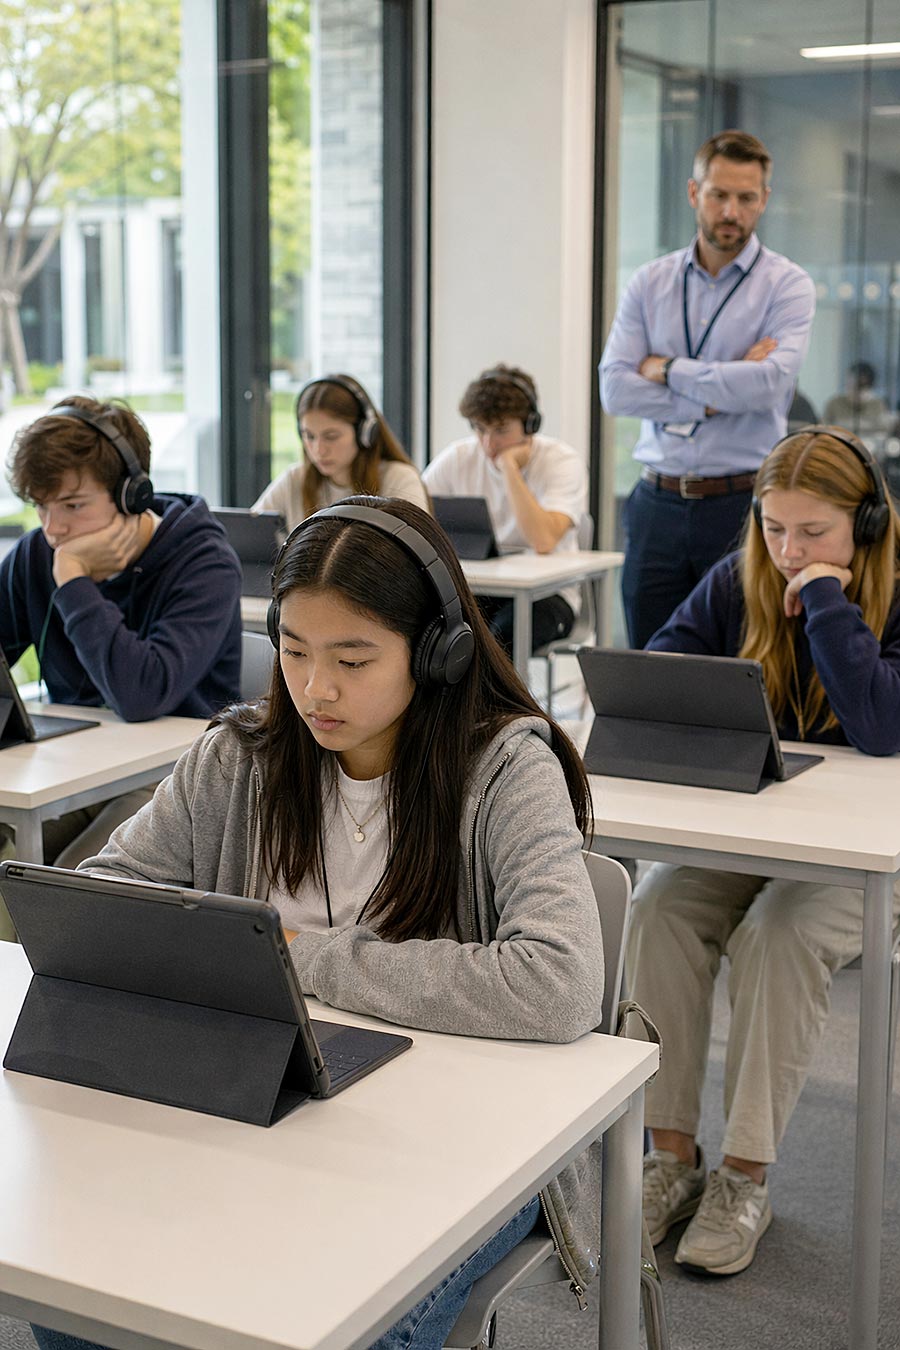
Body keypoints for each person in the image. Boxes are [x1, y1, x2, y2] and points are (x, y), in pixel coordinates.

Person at [32, 496, 606, 1350]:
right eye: (294, 652)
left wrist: (299, 959)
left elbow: (558, 983)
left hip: (462, 1145)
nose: (315, 688)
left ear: (439, 652)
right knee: (81, 1300)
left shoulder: (506, 767)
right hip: (260, 1100)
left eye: (353, 658)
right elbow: (107, 896)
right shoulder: (239, 756)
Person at [625, 426, 900, 1277]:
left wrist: (825, 599)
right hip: (765, 823)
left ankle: (746, 1175)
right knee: (659, 905)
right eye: (775, 529)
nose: (788, 550)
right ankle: (670, 1155)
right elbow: (666, 663)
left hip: (867, 849)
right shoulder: (743, 573)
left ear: (869, 519)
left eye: (813, 532)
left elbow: (880, 724)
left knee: (778, 932)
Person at [0, 395, 242, 877]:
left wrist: (73, 579)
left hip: (177, 778)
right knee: (15, 869)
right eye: (42, 508)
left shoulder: (203, 562)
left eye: (71, 506)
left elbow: (140, 694)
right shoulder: (37, 553)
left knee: (72, 884)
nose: (53, 529)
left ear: (133, 493)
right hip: (71, 770)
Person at [599, 129, 817, 650]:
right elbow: (615, 390)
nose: (731, 211)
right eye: (719, 194)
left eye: (745, 198)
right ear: (695, 193)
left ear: (763, 200)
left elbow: (768, 384)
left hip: (740, 504)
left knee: (743, 662)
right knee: (648, 666)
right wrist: (724, 386)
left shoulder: (787, 285)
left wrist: (667, 367)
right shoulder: (649, 283)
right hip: (657, 503)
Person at [422, 364, 587, 653]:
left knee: (499, 640)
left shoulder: (561, 461)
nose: (489, 444)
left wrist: (509, 468)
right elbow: (414, 514)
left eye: (501, 430)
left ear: (530, 424)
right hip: (481, 589)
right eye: (480, 429)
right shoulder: (458, 458)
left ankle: (494, 701)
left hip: (548, 595)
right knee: (434, 633)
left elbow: (543, 540)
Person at [252, 373, 428, 530]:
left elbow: (417, 557)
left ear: (364, 433)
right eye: (309, 436)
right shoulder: (294, 480)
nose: (319, 450)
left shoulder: (399, 479)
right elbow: (248, 535)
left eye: (331, 436)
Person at [824, 360, 892, 436]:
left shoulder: (877, 404)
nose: (855, 392)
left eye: (861, 387)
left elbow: (884, 429)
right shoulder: (835, 403)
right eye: (851, 385)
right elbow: (823, 428)